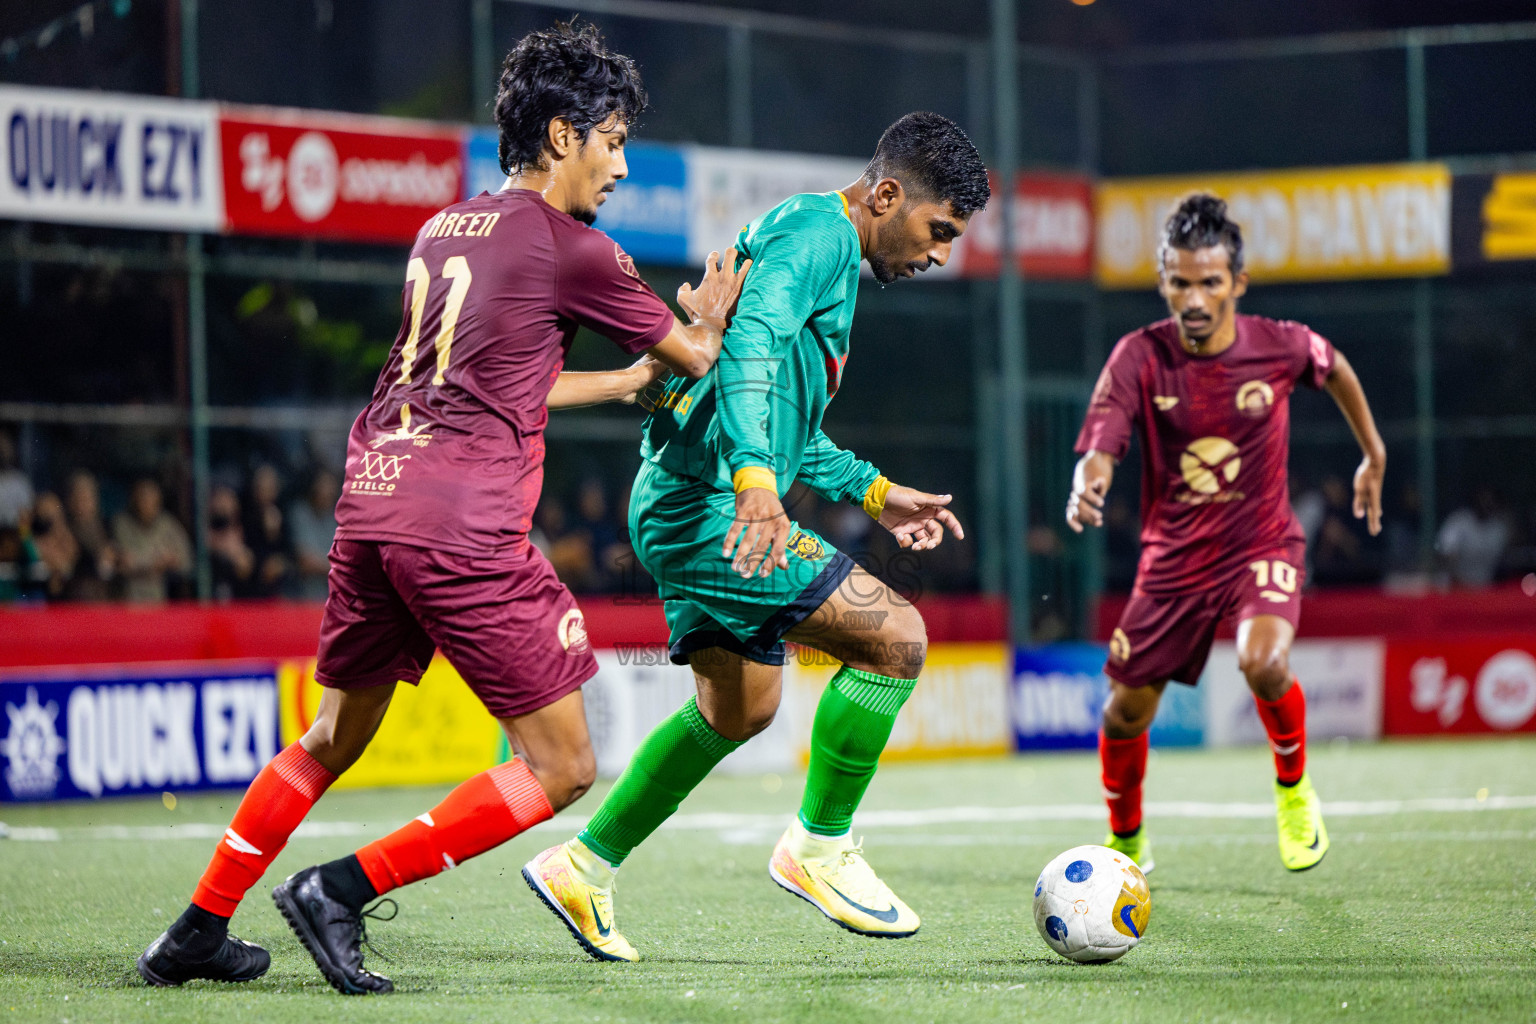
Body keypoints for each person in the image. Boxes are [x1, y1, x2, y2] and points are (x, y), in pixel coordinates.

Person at [136, 21, 749, 995]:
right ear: (560, 135)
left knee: (331, 736)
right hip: (463, 520)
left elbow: (508, 381)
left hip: (371, 504)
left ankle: (196, 929)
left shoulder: (443, 229)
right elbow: (700, 360)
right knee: (561, 766)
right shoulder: (577, 248)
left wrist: (620, 382)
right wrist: (706, 318)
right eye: (614, 139)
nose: (623, 165)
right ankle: (339, 889)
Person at [523, 111, 989, 962]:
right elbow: (754, 355)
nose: (940, 255)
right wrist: (755, 486)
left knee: (741, 707)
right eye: (938, 230)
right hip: (704, 504)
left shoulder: (824, 248)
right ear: (886, 194)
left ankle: (583, 865)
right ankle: (819, 847)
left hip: (682, 494)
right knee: (896, 638)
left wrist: (875, 491)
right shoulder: (820, 235)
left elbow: (785, 419)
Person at [1065, 193, 1386, 874]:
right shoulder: (1138, 357)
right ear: (1163, 281)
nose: (1195, 297)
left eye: (1211, 281)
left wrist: (1373, 453)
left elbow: (1339, 371)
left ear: (1237, 283)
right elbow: (1104, 436)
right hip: (1173, 560)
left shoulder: (1281, 344)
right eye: (1180, 281)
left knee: (1263, 663)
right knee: (1123, 714)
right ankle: (1126, 840)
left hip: (1260, 543)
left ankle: (1295, 792)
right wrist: (1088, 480)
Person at [112, 478, 192, 603]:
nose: (146, 504)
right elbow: (125, 561)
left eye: (150, 499)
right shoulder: (122, 524)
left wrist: (171, 561)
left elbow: (186, 561)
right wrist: (155, 562)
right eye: (142, 498)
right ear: (134, 500)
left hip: (161, 597)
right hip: (128, 597)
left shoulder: (168, 525)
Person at [63, 470, 116, 601]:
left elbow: (111, 563)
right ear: (70, 500)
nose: (83, 503)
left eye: (87, 497)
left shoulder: (108, 528)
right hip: (73, 600)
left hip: (103, 599)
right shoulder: (64, 529)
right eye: (79, 497)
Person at [288, 469, 339, 600]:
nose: (329, 492)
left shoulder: (335, 517)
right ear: (313, 487)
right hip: (304, 596)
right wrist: (338, 566)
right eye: (324, 486)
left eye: (331, 486)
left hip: (333, 595)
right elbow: (306, 562)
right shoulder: (300, 513)